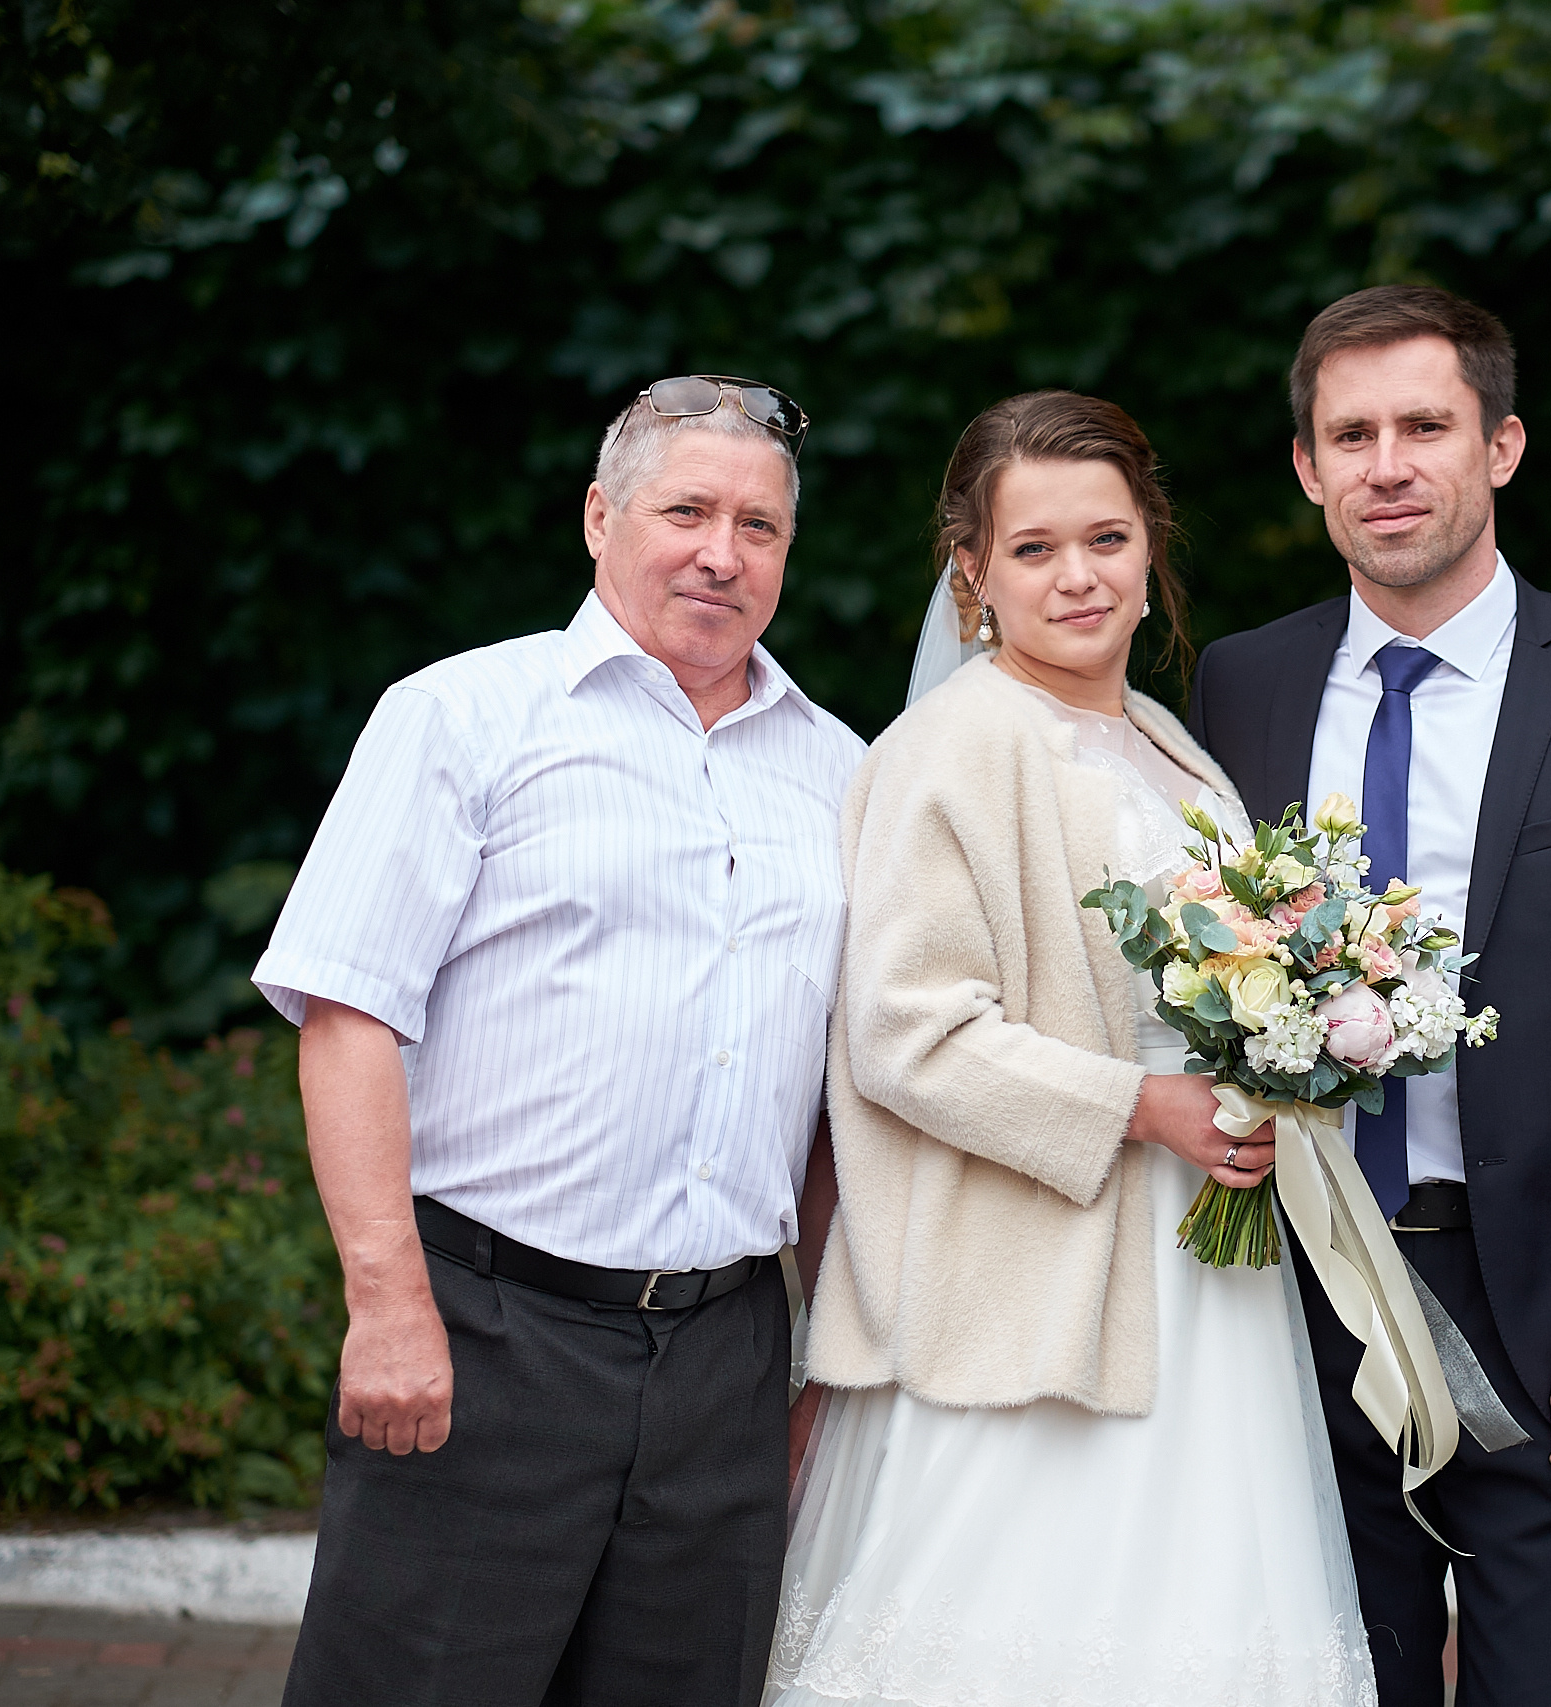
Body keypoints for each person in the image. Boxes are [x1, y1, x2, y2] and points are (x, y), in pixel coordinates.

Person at [252, 377, 864, 1705]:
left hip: (727, 1358)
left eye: (759, 525)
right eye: (687, 509)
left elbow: (835, 1097)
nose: (722, 549)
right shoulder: (463, 718)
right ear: (600, 517)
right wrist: (389, 1301)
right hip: (487, 1335)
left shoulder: (842, 771)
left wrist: (821, 1357)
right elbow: (349, 1015)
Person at [769, 390, 1379, 1706]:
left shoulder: (1167, 750)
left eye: (1105, 537)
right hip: (1027, 1279)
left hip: (1199, 1270)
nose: (1079, 575)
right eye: (1034, 547)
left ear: (1149, 544)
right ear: (972, 569)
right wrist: (1140, 1105)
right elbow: (903, 1030)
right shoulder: (953, 747)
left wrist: (1285, 1059)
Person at [1187, 286, 1551, 1707]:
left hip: (1542, 1304)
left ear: (1501, 446)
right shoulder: (1241, 683)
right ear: (1306, 467)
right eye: (1349, 433)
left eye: (1425, 425)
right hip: (1292, 1293)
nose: (1388, 464)